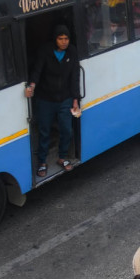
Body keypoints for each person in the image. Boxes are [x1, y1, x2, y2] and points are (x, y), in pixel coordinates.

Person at [26, 25, 81, 177]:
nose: (64, 42)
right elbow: (37, 70)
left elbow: (75, 76)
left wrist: (75, 99)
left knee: (66, 129)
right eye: (60, 39)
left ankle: (62, 157)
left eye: (66, 39)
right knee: (44, 131)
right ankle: (42, 162)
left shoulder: (72, 52)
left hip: (65, 98)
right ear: (55, 39)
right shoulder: (45, 51)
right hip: (46, 99)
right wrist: (32, 85)